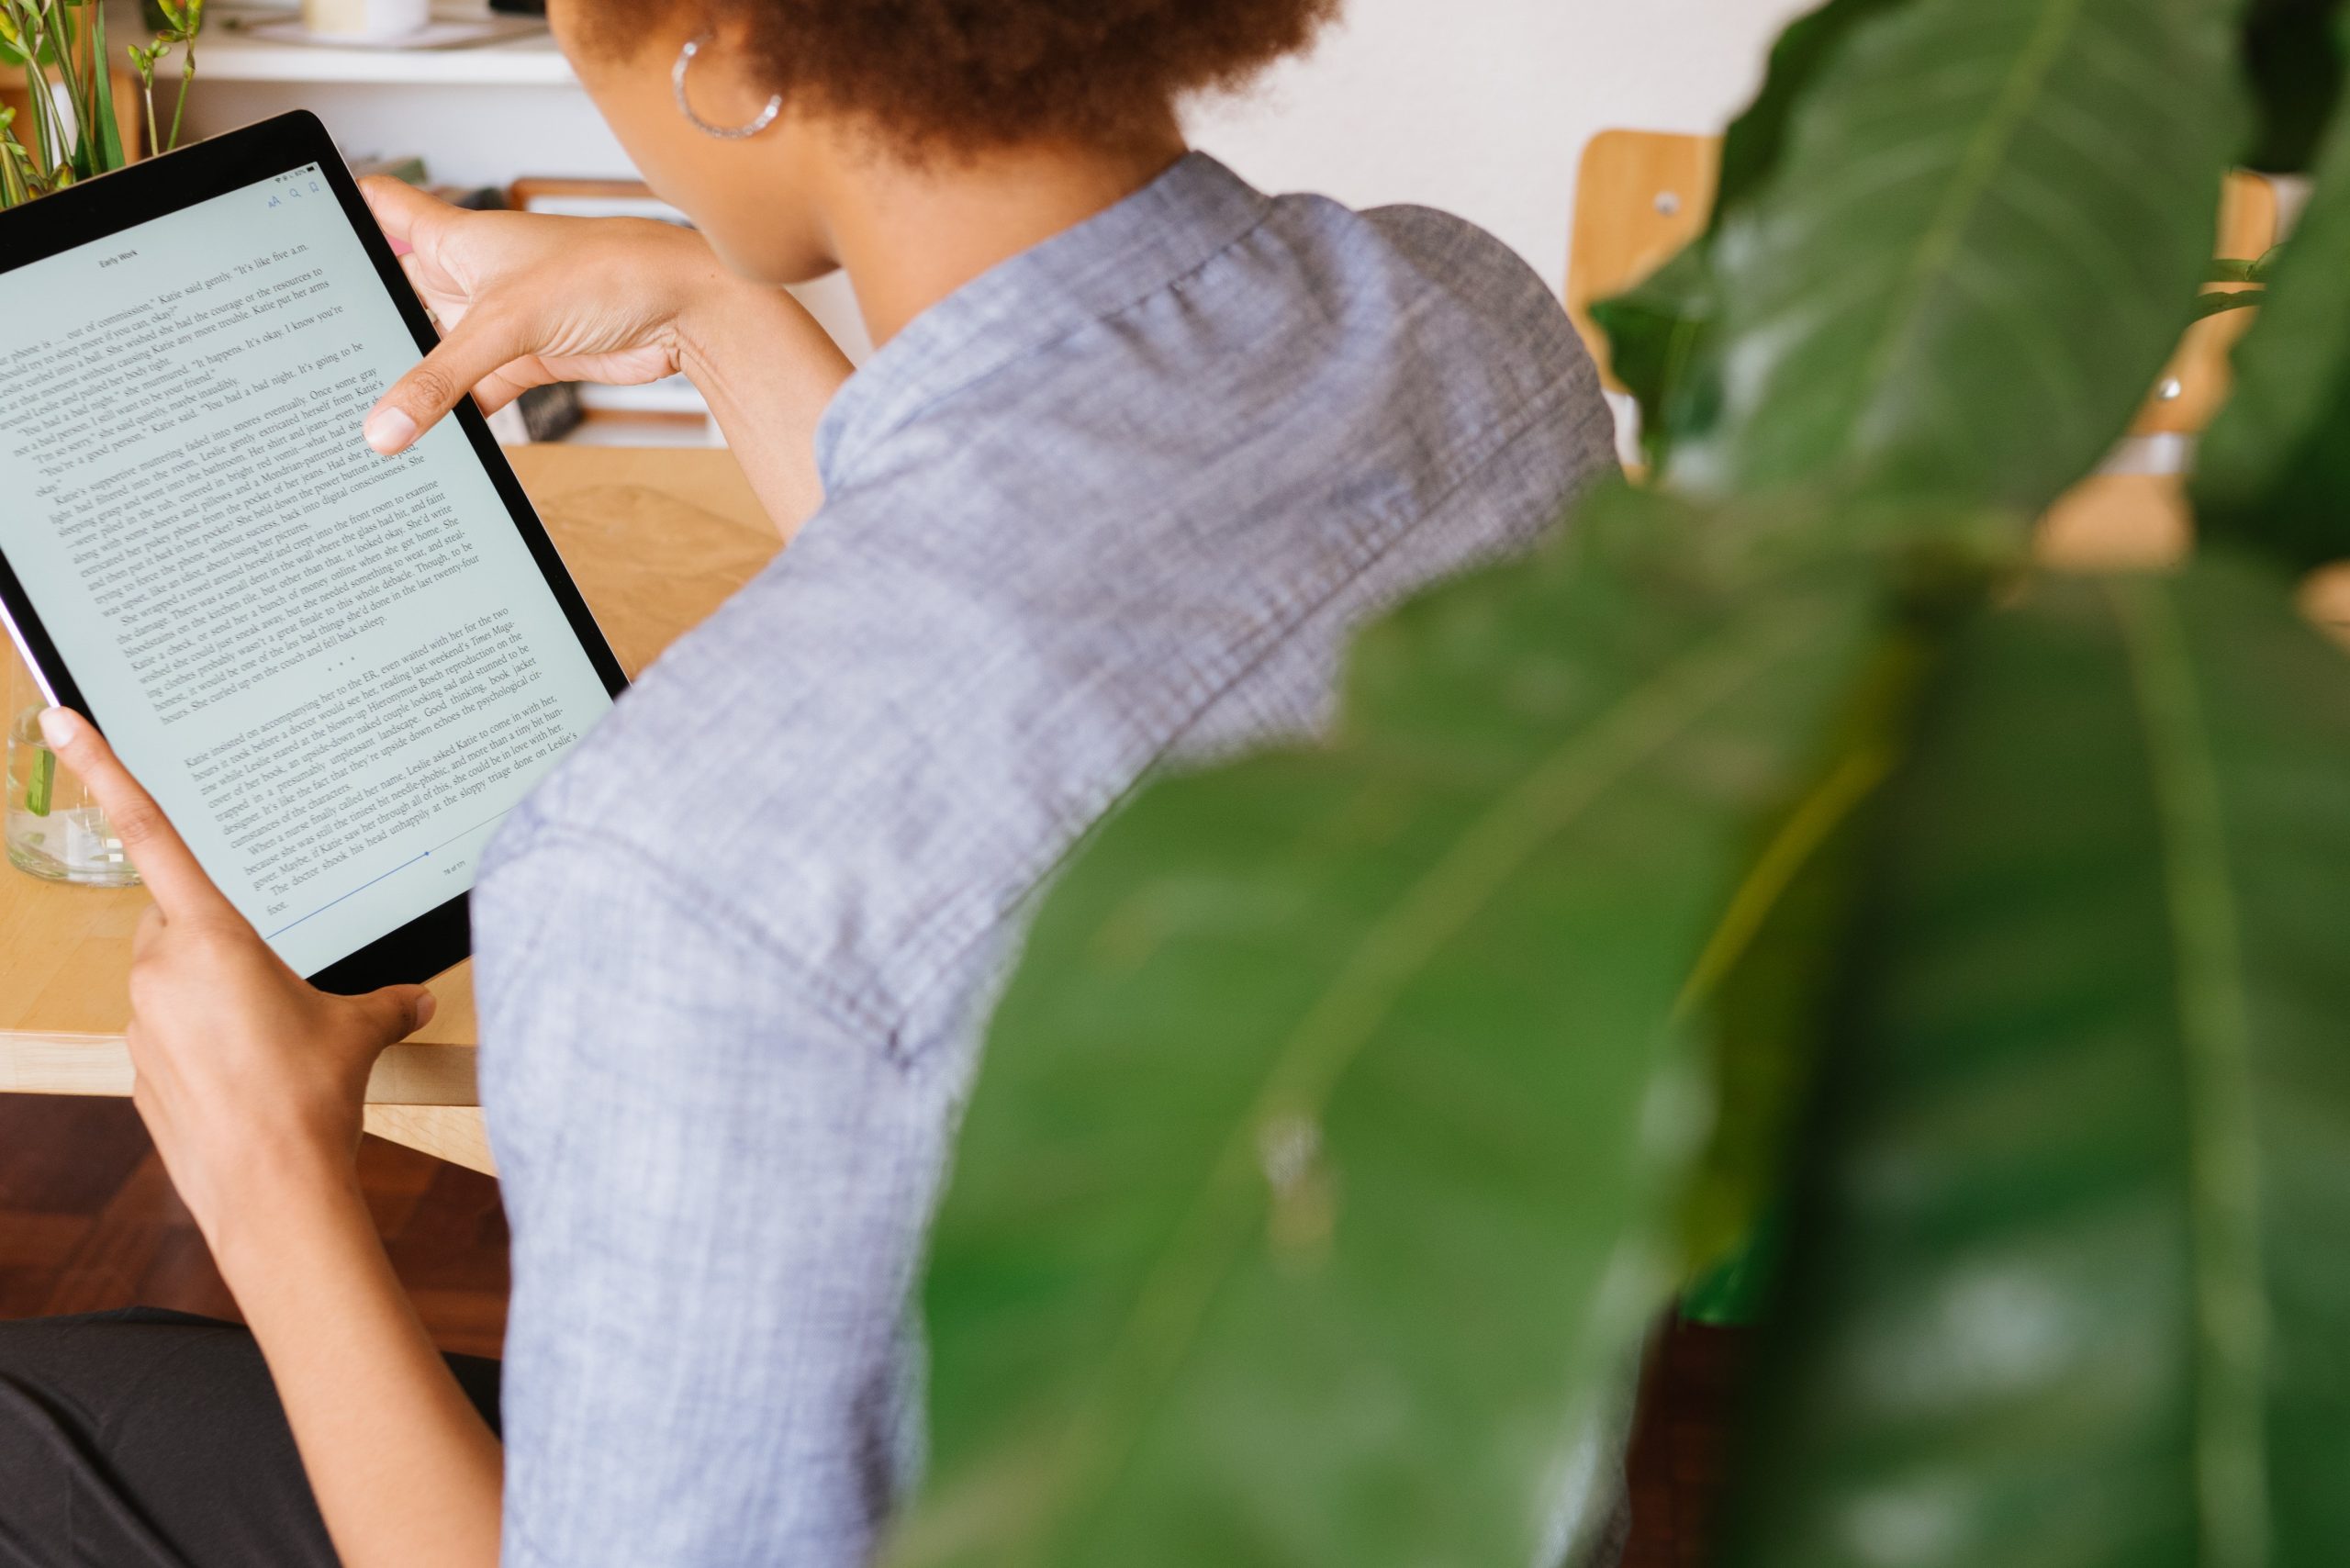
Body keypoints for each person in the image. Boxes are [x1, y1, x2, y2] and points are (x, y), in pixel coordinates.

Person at [0, 0, 1616, 1562]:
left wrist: (268, 1177)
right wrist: (705, 304)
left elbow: (903, 748)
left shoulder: (671, 871)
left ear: (729, 46)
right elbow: (1036, 649)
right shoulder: (1469, 324)